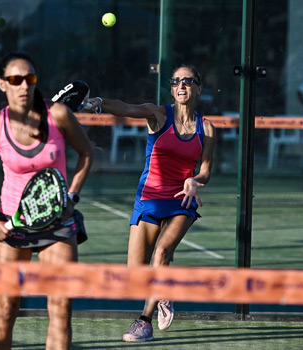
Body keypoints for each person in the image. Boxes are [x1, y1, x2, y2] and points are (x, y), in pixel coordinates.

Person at [85, 65, 216, 342]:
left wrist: (195, 180)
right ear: (172, 88)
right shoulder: (158, 115)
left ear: (198, 88)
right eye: (176, 81)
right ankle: (164, 288)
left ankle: (144, 323)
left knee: (162, 251)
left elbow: (205, 169)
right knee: (136, 276)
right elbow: (126, 108)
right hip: (149, 198)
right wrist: (99, 103)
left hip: (182, 200)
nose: (182, 86)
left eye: (188, 81)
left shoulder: (206, 128)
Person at [0, 52, 93, 350]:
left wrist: (72, 196)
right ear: (2, 84)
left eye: (30, 79)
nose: (24, 85)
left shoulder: (59, 116)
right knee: (4, 312)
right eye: (15, 80)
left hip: (59, 225)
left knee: (61, 311)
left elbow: (87, 154)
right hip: (12, 228)